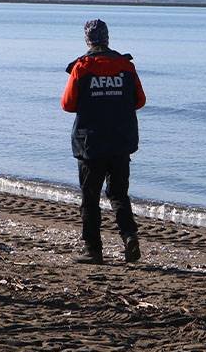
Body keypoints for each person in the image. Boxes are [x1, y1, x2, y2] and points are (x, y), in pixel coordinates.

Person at [60, 19, 146, 264]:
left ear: (88, 39)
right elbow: (139, 100)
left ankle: (93, 249)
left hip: (91, 144)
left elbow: (67, 104)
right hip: (120, 142)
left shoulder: (82, 67)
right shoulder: (125, 66)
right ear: (107, 38)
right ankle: (129, 237)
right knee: (119, 194)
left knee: (90, 198)